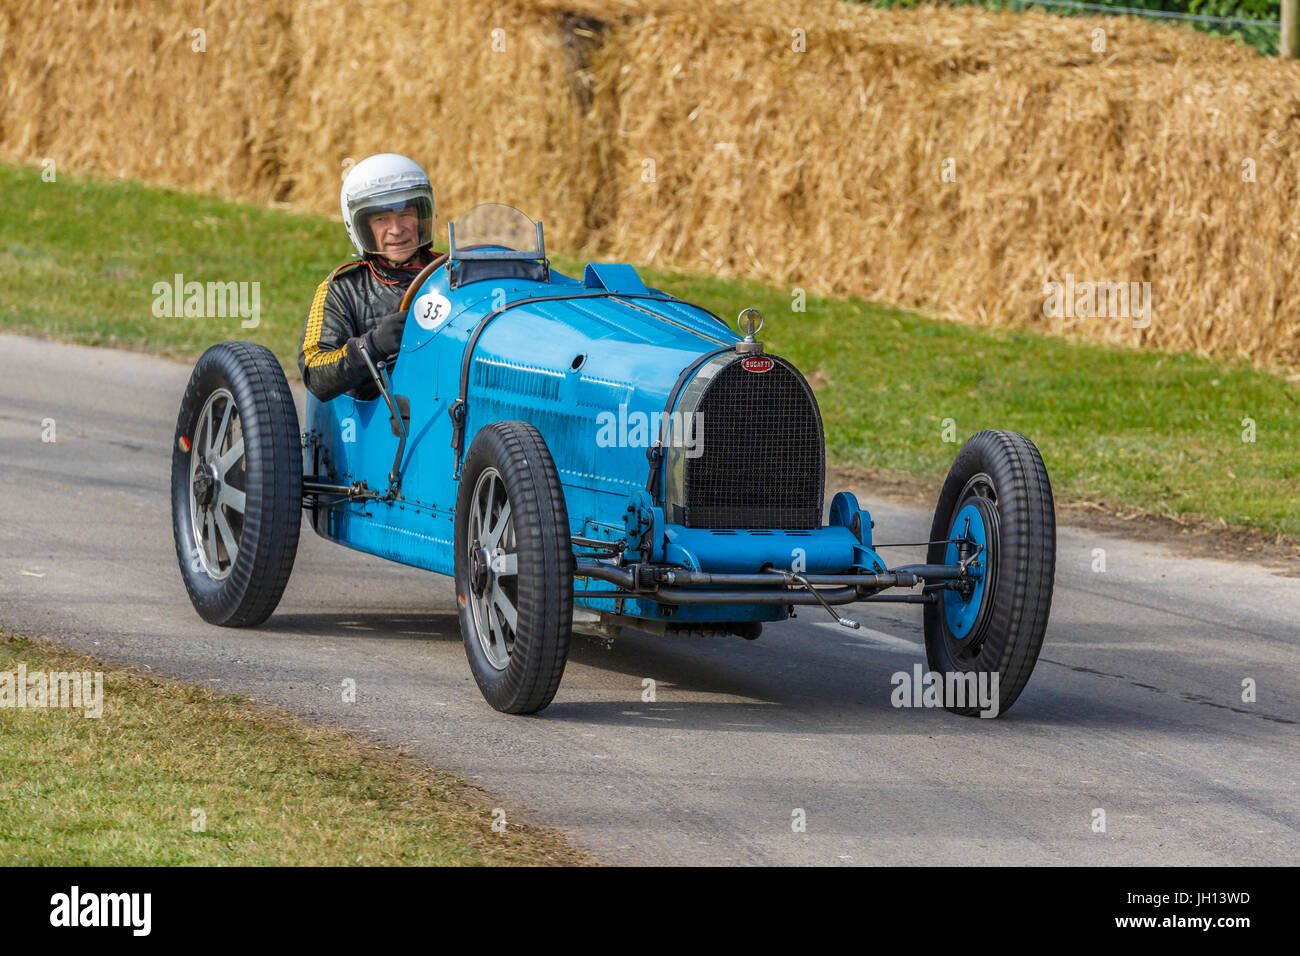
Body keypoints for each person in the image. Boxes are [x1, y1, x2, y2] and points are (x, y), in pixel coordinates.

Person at [298, 153, 440, 401]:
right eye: (381, 219)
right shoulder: (341, 289)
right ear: (362, 227)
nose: (396, 230)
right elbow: (316, 374)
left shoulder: (453, 270)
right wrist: (372, 346)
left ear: (421, 217)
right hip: (384, 421)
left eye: (405, 214)